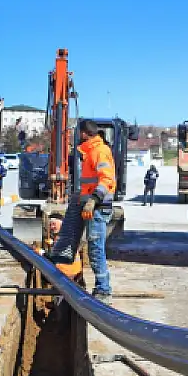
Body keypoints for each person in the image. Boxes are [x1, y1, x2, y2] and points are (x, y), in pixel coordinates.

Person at [77, 119, 117, 302]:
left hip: (98, 208)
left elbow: (107, 179)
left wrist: (93, 200)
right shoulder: (91, 152)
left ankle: (103, 290)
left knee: (95, 248)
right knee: (94, 247)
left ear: (84, 133)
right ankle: (101, 288)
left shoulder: (99, 152)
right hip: (94, 207)